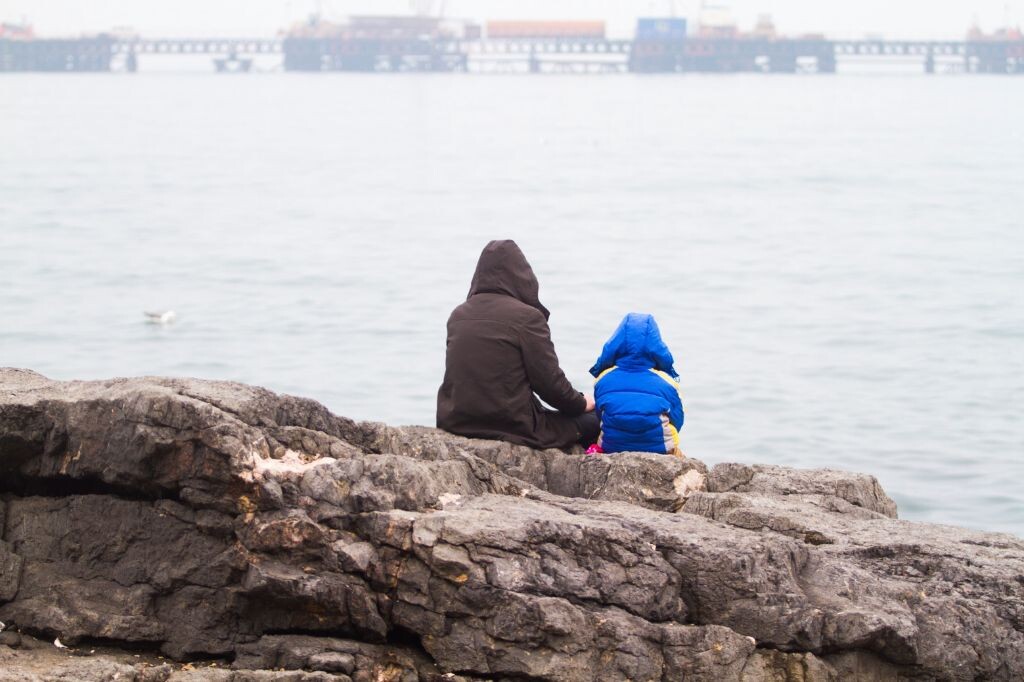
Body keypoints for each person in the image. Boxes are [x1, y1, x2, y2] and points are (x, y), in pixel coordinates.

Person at [436, 240, 598, 450]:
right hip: (512, 426)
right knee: (597, 420)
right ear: (522, 276)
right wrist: (581, 402)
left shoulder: (458, 315)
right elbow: (550, 385)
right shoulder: (527, 318)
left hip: (456, 422)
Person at [588, 313, 685, 456]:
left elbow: (600, 415)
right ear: (656, 346)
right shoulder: (666, 382)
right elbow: (678, 420)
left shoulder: (602, 379)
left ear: (617, 344)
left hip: (612, 446)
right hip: (660, 448)